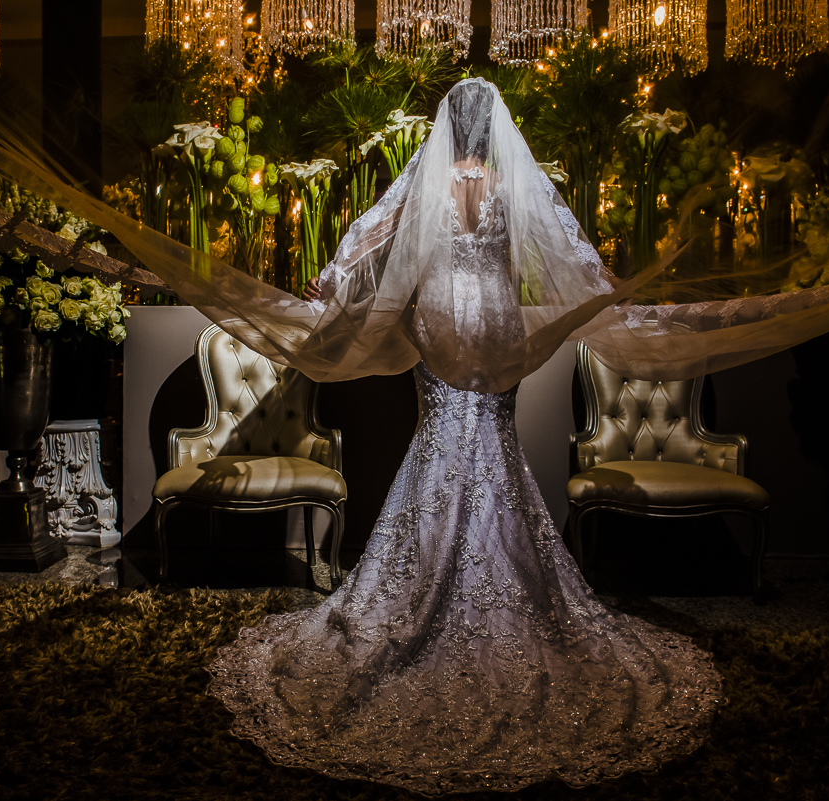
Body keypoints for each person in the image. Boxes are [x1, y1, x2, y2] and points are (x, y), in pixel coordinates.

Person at [206, 78, 723, 795]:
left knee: (442, 434)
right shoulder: (514, 180)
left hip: (442, 317)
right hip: (498, 321)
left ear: (450, 124)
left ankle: (420, 584)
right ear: (495, 128)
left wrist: (330, 278)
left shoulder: (428, 180)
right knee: (493, 442)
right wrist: (604, 279)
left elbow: (374, 231)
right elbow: (562, 239)